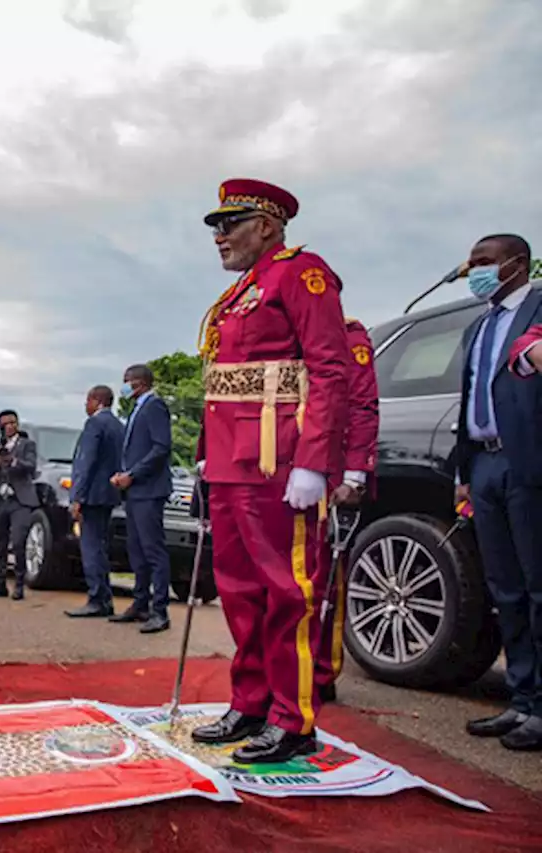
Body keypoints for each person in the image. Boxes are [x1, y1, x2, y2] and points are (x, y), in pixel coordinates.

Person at [191, 178, 350, 764]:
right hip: (233, 463)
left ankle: (293, 718)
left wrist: (313, 463)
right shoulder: (241, 292)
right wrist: (212, 451)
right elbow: (229, 383)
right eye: (215, 226)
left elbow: (330, 370)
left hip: (278, 462)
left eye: (230, 223)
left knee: (288, 591)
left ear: (268, 224)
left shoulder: (300, 274)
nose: (219, 236)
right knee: (237, 590)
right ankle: (251, 702)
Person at [454, 234, 542, 751]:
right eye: (472, 264)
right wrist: (461, 472)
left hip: (527, 461)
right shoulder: (479, 326)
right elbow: (472, 397)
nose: (475, 272)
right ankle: (522, 698)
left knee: (538, 587)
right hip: (483, 464)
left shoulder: (537, 308)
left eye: (484, 263)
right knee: (504, 588)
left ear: (517, 264)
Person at [315, 316, 379, 703]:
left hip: (329, 473)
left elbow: (362, 406)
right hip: (283, 471)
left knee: (323, 581)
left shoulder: (348, 337)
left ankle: (321, 671)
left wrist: (354, 474)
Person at [109, 367, 173, 632]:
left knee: (153, 550)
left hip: (149, 490)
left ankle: (160, 610)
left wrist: (133, 474)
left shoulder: (154, 406)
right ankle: (140, 603)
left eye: (127, 382)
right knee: (136, 550)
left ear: (140, 383)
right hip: (134, 491)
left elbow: (161, 447)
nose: (124, 387)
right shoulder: (137, 409)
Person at [66, 386, 123, 617]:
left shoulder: (94, 424)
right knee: (100, 547)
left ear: (97, 401)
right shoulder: (119, 426)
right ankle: (104, 598)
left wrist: (77, 496)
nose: (85, 405)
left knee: (90, 548)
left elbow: (85, 462)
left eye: (87, 400)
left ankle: (96, 598)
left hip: (92, 495)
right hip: (109, 494)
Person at [0, 409, 39, 600]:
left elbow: (31, 466)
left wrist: (12, 461)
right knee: (0, 544)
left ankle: (20, 586)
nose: (10, 426)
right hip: (0, 501)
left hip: (20, 501)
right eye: (6, 424)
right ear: (0, 427)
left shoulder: (27, 444)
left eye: (13, 422)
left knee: (19, 542)